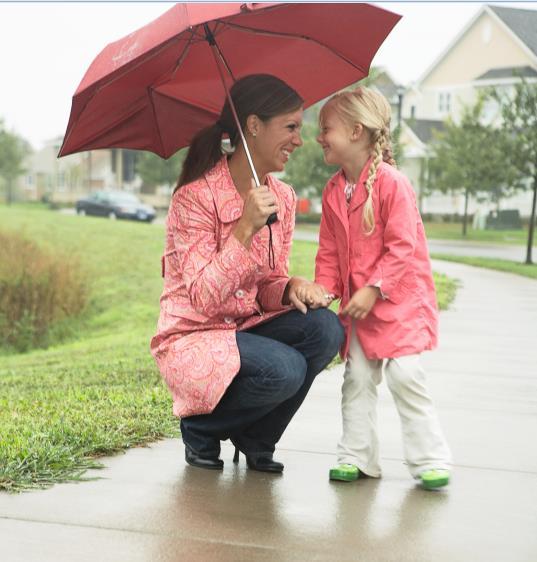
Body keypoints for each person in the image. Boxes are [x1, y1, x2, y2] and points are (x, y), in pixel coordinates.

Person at [150, 74, 344, 473]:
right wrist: (244, 230)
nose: (299, 140)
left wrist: (292, 287)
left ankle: (258, 438)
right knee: (284, 368)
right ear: (253, 126)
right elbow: (203, 297)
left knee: (326, 329)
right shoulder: (194, 198)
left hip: (244, 331)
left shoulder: (283, 198)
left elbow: (264, 288)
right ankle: (201, 428)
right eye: (290, 127)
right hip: (194, 337)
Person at [297, 86, 452, 489]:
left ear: (356, 132)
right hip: (359, 311)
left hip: (397, 303)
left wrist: (375, 287)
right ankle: (356, 456)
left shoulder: (392, 184)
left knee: (405, 375)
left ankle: (431, 460)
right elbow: (329, 251)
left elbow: (404, 247)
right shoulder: (334, 191)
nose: (318, 137)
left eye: (325, 128)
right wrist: (324, 290)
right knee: (358, 379)